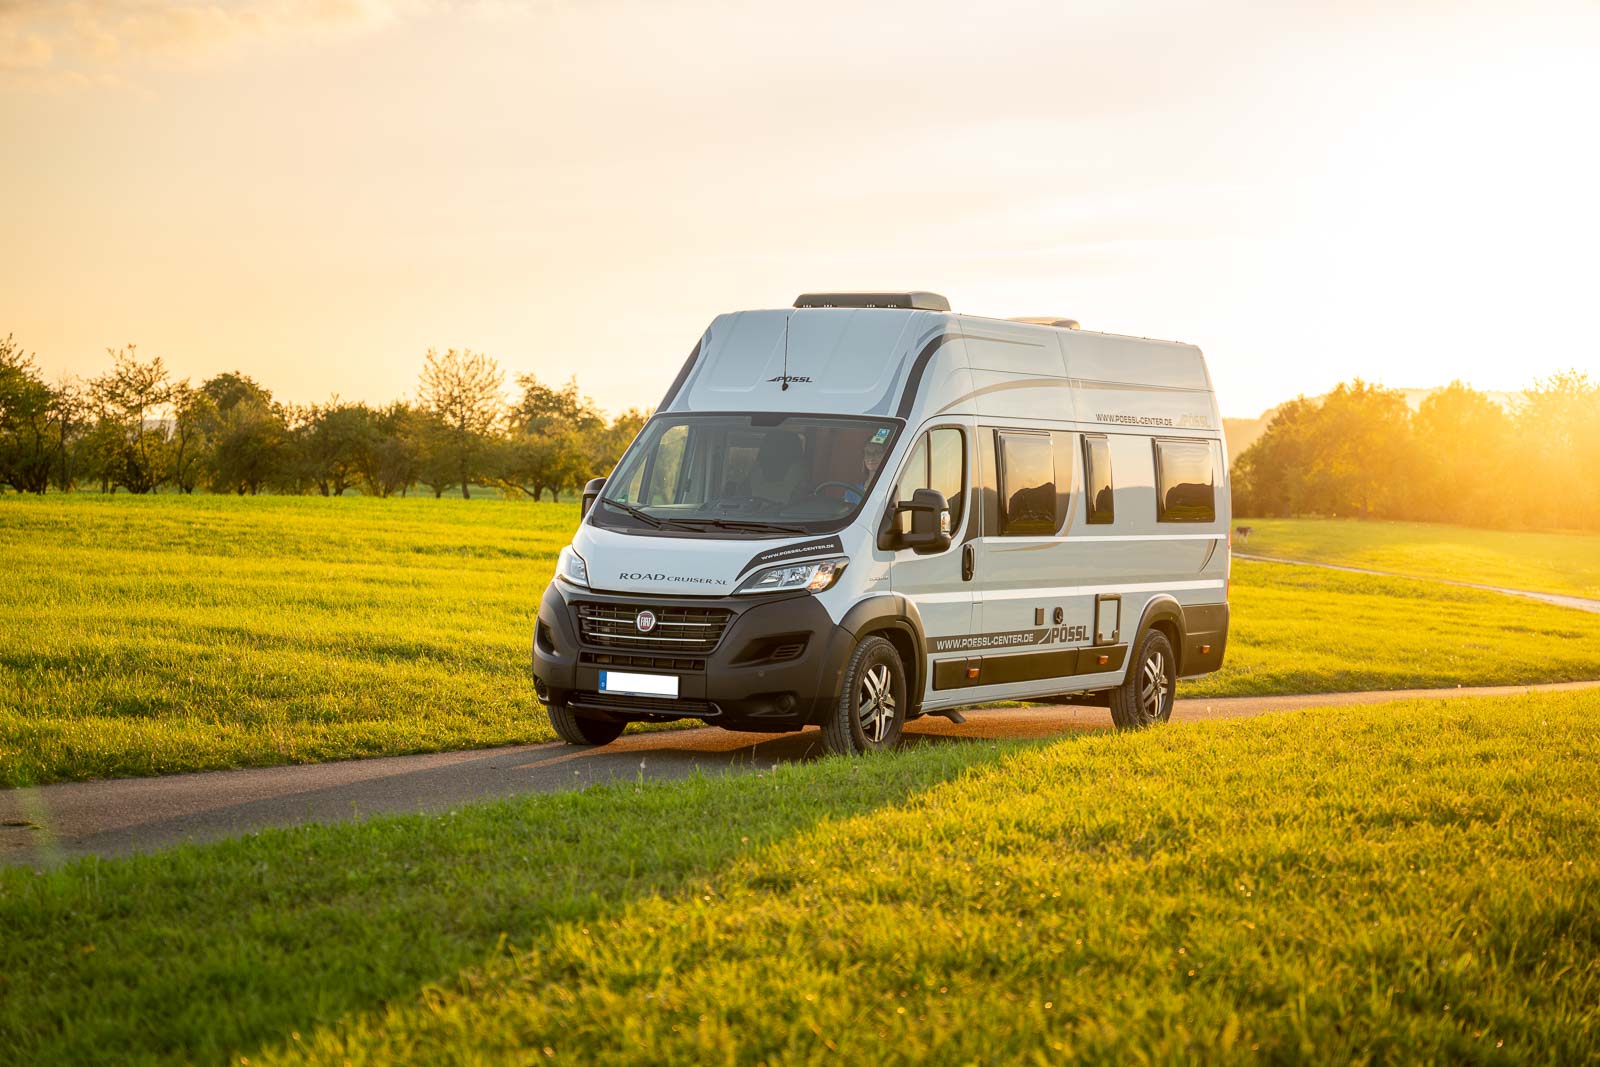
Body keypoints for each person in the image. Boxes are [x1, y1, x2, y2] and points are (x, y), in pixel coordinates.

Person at [841, 439, 886, 505]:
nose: (871, 457)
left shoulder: (891, 487)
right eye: (867, 453)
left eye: (877, 452)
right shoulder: (852, 491)